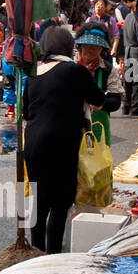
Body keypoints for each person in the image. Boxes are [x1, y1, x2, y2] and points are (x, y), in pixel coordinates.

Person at [22, 25, 106, 254]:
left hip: (33, 143)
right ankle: (53, 257)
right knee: (60, 203)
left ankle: (36, 255)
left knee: (39, 203)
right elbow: (99, 101)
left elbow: (25, 113)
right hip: (62, 143)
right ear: (69, 47)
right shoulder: (75, 71)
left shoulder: (33, 74)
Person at [75, 24, 122, 145]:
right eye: (87, 46)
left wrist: (102, 104)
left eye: (95, 47)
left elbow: (116, 100)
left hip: (97, 129)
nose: (90, 51)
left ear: (102, 49)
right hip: (71, 129)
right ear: (80, 46)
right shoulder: (70, 66)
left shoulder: (108, 70)